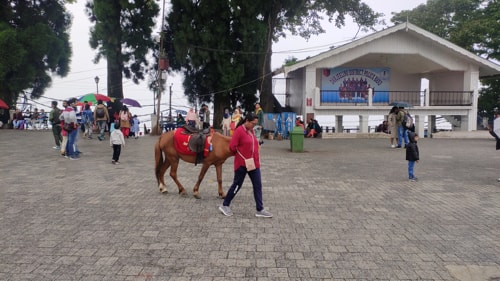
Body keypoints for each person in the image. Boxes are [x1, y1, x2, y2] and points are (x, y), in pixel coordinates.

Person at [218, 112, 273, 218]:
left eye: (255, 124)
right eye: (253, 123)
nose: (254, 126)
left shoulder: (251, 131)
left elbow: (252, 144)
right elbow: (232, 147)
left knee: (258, 185)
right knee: (237, 185)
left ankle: (260, 209)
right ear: (247, 121)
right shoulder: (239, 131)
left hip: (253, 163)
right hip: (242, 164)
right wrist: (241, 155)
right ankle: (225, 205)